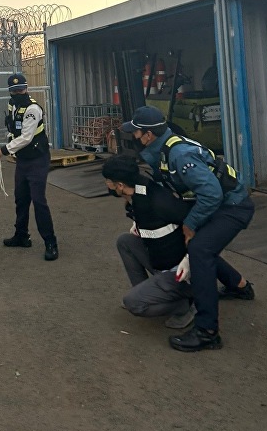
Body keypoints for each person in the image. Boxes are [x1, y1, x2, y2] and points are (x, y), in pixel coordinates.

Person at [121, 106, 255, 352]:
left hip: (233, 207)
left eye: (137, 133)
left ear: (148, 135)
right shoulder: (162, 148)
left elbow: (212, 194)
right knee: (203, 245)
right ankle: (240, 286)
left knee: (199, 249)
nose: (134, 138)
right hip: (220, 202)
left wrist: (190, 225)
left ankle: (207, 332)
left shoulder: (180, 155)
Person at [101, 155, 195, 329]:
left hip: (179, 273)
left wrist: (190, 260)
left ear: (120, 185)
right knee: (125, 241)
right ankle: (148, 292)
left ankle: (185, 305)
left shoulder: (158, 201)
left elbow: (195, 224)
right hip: (160, 260)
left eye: (108, 181)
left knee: (133, 303)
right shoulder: (137, 192)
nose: (107, 184)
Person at [0, 73, 58, 261]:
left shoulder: (32, 108)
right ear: (10, 92)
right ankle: (21, 235)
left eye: (21, 89)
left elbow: (27, 137)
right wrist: (9, 146)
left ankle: (50, 242)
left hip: (37, 159)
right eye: (14, 90)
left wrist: (3, 151)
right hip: (23, 160)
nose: (18, 93)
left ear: (26, 89)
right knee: (21, 198)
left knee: (38, 201)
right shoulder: (13, 105)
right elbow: (12, 130)